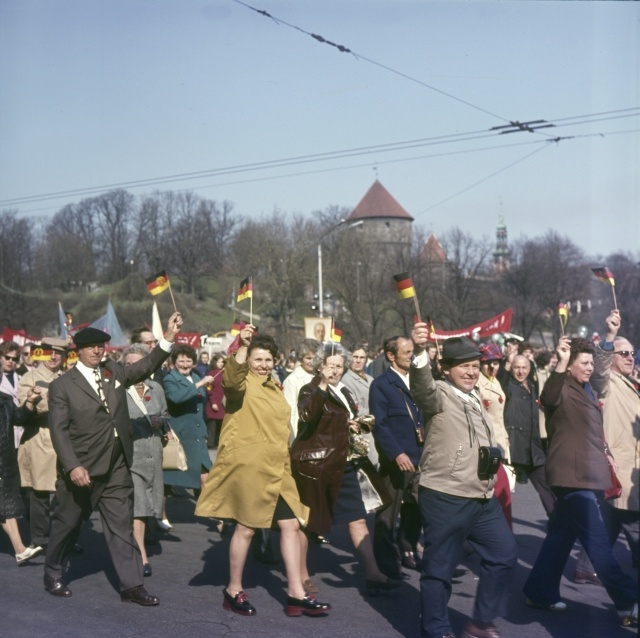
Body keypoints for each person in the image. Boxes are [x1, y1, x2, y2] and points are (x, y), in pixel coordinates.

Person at [43, 312, 182, 604]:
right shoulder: (62, 386)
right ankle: (54, 571)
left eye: (101, 346)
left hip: (117, 466)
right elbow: (59, 431)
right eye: (91, 347)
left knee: (122, 527)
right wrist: (73, 466)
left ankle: (132, 586)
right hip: (82, 469)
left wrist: (168, 338)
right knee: (68, 524)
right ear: (78, 351)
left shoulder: (113, 373)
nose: (97, 351)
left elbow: (145, 365)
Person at [195, 326, 330, 617]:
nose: (263, 365)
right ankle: (233, 590)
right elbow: (230, 380)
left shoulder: (273, 386)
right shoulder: (240, 383)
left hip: (277, 468)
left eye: (268, 360)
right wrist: (243, 347)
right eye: (258, 359)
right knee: (246, 526)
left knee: (291, 524)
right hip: (251, 468)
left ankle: (295, 594)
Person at [523, 335, 638, 628]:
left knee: (560, 536)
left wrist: (606, 453)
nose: (588, 368)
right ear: (569, 365)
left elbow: (590, 428)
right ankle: (627, 601)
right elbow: (547, 397)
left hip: (587, 475)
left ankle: (538, 591)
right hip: (572, 478)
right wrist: (561, 361)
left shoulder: (586, 388)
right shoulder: (560, 386)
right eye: (583, 363)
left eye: (590, 362)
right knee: (598, 543)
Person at [410, 328, 517, 638]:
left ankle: (480, 622)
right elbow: (421, 385)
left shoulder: (474, 395)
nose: (471, 372)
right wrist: (420, 350)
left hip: (482, 497)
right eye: (464, 366)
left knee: (504, 554)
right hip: (445, 495)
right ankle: (436, 630)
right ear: (445, 369)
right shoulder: (438, 394)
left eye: (474, 365)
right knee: (439, 569)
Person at [291, 343, 397, 596]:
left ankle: (373, 573)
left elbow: (340, 421)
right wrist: (323, 385)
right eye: (330, 366)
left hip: (345, 462)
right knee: (311, 523)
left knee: (357, 518)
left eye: (339, 366)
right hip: (319, 466)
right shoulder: (311, 388)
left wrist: (355, 425)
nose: (335, 370)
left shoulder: (345, 391)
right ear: (320, 366)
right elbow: (307, 415)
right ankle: (302, 575)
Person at [573, 310, 640, 584]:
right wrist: (610, 335)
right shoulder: (606, 382)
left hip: (627, 468)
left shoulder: (631, 382)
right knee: (634, 524)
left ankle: (587, 567)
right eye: (623, 353)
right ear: (612, 357)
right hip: (621, 465)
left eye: (632, 353)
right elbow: (598, 371)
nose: (630, 357)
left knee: (610, 520)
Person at [370, 335, 423, 578]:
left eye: (412, 351)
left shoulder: (418, 379)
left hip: (421, 457)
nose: (411, 355)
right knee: (387, 516)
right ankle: (385, 567)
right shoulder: (381, 384)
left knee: (417, 509)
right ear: (391, 356)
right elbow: (379, 425)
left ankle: (407, 548)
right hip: (398, 461)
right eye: (406, 352)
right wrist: (395, 453)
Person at [123, 343, 171, 578]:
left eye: (137, 364)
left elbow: (165, 416)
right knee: (138, 506)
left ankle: (135, 547)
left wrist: (160, 422)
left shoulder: (156, 389)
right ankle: (140, 555)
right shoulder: (118, 390)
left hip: (154, 454)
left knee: (144, 506)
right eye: (128, 364)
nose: (132, 368)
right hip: (130, 456)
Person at [17, 337, 68, 551]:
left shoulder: (67, 377)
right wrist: (53, 400)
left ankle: (62, 536)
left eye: (58, 353)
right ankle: (40, 537)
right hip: (38, 438)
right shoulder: (30, 377)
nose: (53, 357)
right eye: (49, 352)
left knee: (66, 492)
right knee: (38, 491)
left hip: (63, 439)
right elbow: (25, 410)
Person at [498, 354, 555, 516]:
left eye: (524, 367)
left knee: (547, 487)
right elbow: (502, 380)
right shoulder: (507, 385)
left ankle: (558, 524)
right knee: (500, 493)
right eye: (517, 367)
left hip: (533, 448)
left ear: (530, 369)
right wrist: (507, 361)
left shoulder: (532, 385)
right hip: (513, 447)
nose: (521, 371)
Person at [162, 344, 214, 521]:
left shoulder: (196, 375)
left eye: (189, 361)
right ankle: (160, 515)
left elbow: (201, 409)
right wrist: (199, 384)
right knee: (168, 481)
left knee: (206, 477)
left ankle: (209, 512)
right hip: (179, 436)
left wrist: (205, 432)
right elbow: (175, 398)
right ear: (174, 362)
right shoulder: (170, 379)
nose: (185, 364)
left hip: (197, 437)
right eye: (181, 361)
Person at [1, 380, 43, 564]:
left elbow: (19, 418)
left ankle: (20, 549)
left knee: (6, 505)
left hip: (5, 462)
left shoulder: (4, 400)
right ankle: (19, 549)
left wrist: (30, 402)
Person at [476, 342, 513, 529]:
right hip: (486, 446)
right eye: (487, 363)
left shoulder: (494, 381)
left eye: (496, 363)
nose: (492, 367)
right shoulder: (477, 383)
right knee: (498, 490)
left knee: (496, 492)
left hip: (499, 443)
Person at [341, 341, 377, 466]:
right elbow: (355, 408)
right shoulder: (346, 380)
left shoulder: (370, 378)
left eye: (362, 357)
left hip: (376, 429)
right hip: (363, 431)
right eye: (355, 357)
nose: (358, 361)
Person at [282, 338, 319, 444]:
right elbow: (290, 413)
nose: (312, 362)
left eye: (315, 358)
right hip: (301, 435)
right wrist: (294, 440)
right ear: (301, 358)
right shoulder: (292, 380)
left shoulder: (321, 378)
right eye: (308, 358)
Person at [204, 354, 225, 449]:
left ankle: (217, 443)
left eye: (222, 362)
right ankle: (210, 443)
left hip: (222, 403)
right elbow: (209, 389)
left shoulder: (225, 373)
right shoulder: (211, 374)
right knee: (212, 425)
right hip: (214, 402)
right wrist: (213, 402)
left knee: (220, 425)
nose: (221, 364)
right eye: (219, 361)